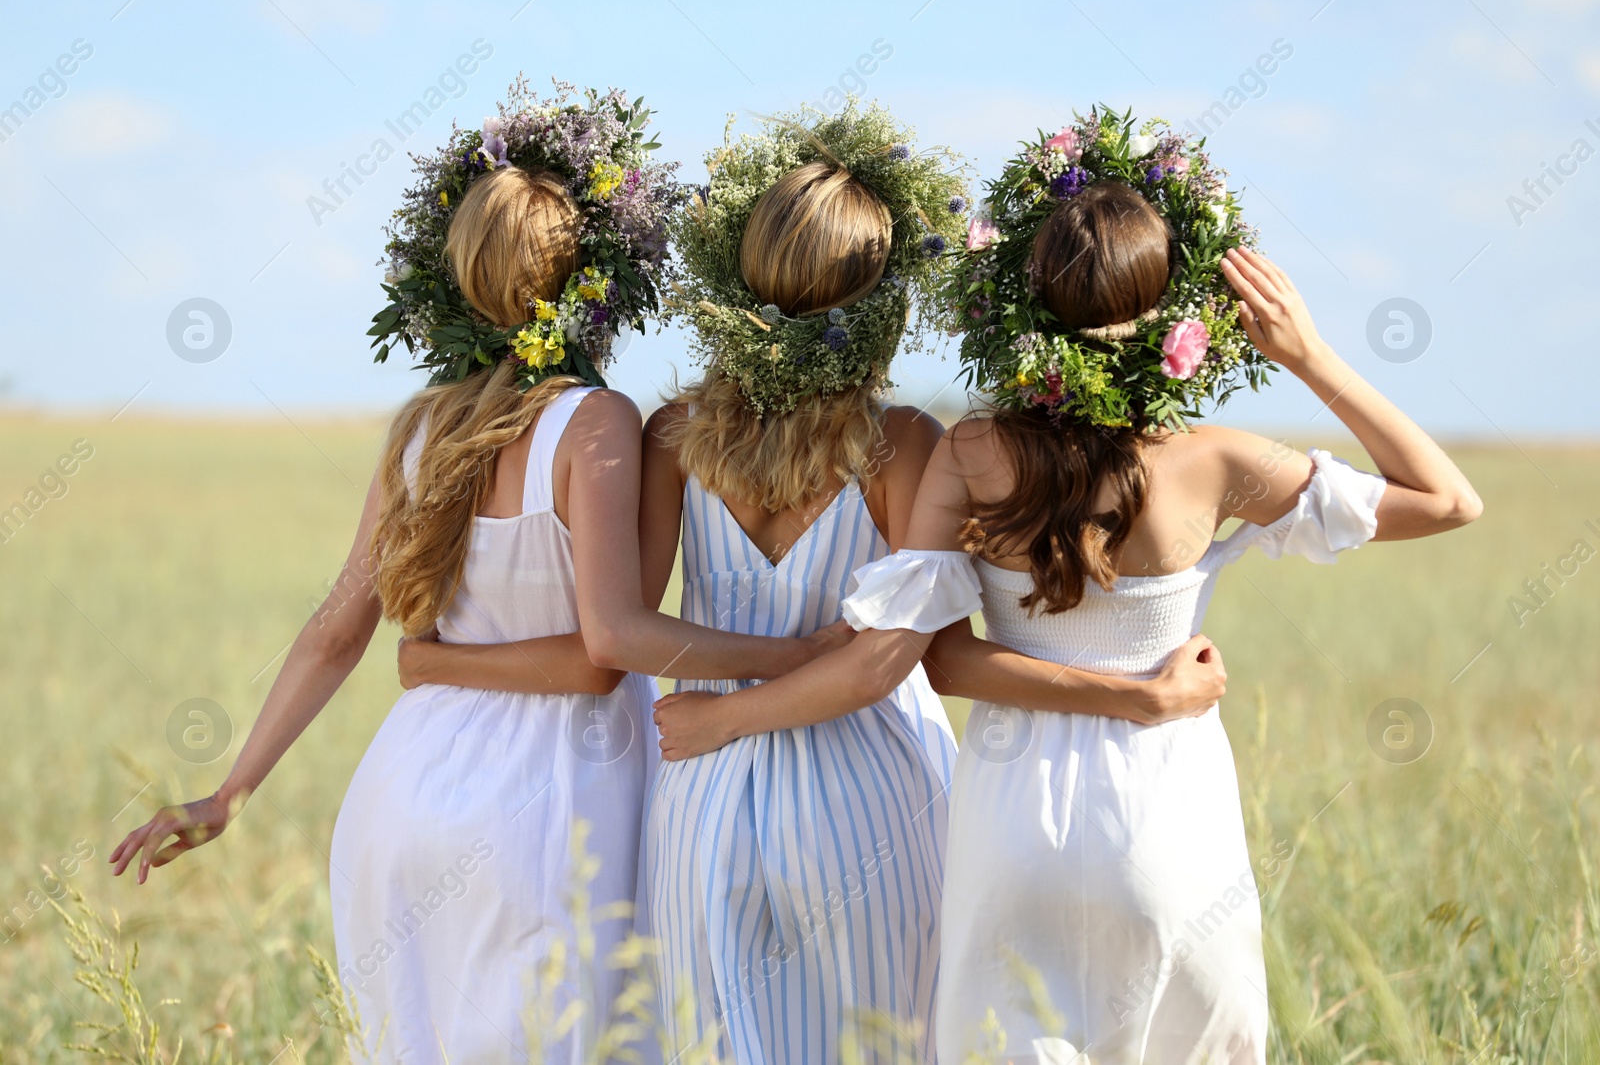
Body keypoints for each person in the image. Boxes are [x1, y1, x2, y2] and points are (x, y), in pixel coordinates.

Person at [651, 115, 1481, 1063]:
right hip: (1167, 815)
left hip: (1011, 821)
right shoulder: (1214, 462)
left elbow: (937, 657)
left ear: (1022, 304)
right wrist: (1308, 355)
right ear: (1175, 312)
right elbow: (1448, 498)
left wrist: (725, 714)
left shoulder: (971, 450)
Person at [406, 103, 1226, 1062]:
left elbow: (621, 633)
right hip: (865, 794)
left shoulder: (672, 435)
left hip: (702, 800)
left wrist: (709, 710)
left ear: (742, 281)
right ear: (877, 299)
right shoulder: (901, 445)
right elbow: (899, 655)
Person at [108, 88, 840, 1064]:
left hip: (402, 795)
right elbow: (604, 648)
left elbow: (337, 627)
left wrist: (232, 789)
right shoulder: (594, 420)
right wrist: (795, 654)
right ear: (592, 276)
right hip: (550, 801)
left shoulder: (417, 430)